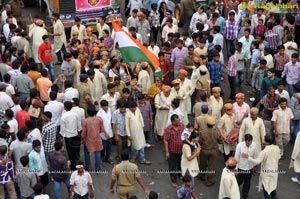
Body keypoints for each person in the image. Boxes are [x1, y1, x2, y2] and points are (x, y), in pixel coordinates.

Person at [242, 134, 280, 199]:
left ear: (266, 141)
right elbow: (278, 157)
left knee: (266, 190)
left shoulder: (264, 151)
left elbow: (257, 161)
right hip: (275, 171)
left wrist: (248, 157)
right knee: (272, 186)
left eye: (264, 140)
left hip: (266, 173)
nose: (263, 141)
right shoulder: (277, 148)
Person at [83, 105, 107, 171]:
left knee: (87, 152)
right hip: (97, 139)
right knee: (98, 153)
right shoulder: (99, 119)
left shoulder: (85, 121)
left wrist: (83, 139)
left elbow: (84, 133)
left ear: (87, 112)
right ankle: (97, 168)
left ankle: (88, 167)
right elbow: (102, 129)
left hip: (88, 139)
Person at [164, 114, 184, 188]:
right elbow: (166, 141)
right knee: (172, 166)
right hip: (172, 152)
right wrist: (167, 152)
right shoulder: (168, 129)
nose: (179, 122)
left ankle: (179, 174)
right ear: (172, 121)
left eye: (179, 120)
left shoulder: (182, 126)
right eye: (177, 121)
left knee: (180, 164)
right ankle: (174, 180)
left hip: (181, 151)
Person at [235, 134, 257, 199]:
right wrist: (236, 168)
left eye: (250, 143)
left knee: (247, 183)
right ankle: (233, 192)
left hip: (249, 167)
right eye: (247, 143)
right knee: (239, 181)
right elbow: (236, 157)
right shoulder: (239, 146)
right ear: (245, 141)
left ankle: (245, 194)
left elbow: (255, 156)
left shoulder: (254, 145)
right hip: (241, 167)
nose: (249, 144)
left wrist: (254, 165)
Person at [97, 100, 114, 164]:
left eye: (107, 106)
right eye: (104, 106)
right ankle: (102, 157)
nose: (106, 107)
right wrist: (105, 133)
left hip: (110, 131)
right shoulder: (99, 114)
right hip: (102, 133)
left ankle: (108, 158)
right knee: (103, 146)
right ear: (101, 107)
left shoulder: (109, 110)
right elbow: (100, 125)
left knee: (109, 146)